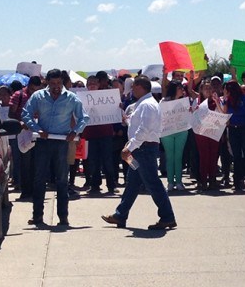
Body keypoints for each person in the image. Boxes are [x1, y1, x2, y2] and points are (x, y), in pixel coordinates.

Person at [101, 75, 177, 230]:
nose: (132, 90)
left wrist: (130, 147)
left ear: (140, 87)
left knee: (152, 183)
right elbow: (140, 126)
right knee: (133, 182)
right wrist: (128, 121)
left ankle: (167, 216)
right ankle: (120, 215)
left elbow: (144, 130)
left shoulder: (147, 105)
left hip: (143, 149)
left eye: (134, 87)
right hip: (140, 150)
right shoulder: (144, 104)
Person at [22, 69, 89, 226]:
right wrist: (36, 128)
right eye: (52, 83)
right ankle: (37, 216)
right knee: (39, 179)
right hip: (43, 142)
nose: (56, 86)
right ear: (47, 82)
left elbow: (84, 118)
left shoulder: (71, 98)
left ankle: (63, 217)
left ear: (63, 82)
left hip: (62, 142)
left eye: (59, 83)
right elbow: (26, 114)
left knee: (62, 180)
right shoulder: (38, 96)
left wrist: (75, 132)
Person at [213, 80, 245, 192]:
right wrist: (217, 103)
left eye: (226, 90)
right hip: (233, 129)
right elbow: (224, 115)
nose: (225, 92)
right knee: (236, 156)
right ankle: (237, 182)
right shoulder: (227, 101)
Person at [81, 75, 117, 195]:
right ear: (86, 86)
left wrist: (118, 108)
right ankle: (95, 185)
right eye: (89, 83)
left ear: (98, 85)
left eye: (94, 83)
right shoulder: (81, 99)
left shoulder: (106, 97)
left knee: (107, 160)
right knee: (93, 161)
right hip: (89, 134)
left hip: (105, 133)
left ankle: (111, 186)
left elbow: (115, 110)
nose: (92, 86)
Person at [9, 76, 43, 201]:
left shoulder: (40, 96)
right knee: (25, 162)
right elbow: (11, 114)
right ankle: (25, 190)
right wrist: (21, 123)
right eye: (33, 89)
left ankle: (34, 190)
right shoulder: (19, 95)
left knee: (36, 163)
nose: (35, 92)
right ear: (29, 85)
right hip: (23, 132)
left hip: (36, 132)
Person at [160, 80, 190, 191]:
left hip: (181, 131)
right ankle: (170, 183)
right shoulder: (163, 102)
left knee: (178, 157)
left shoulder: (185, 102)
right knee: (170, 157)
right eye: (179, 88)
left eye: (182, 88)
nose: (182, 90)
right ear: (173, 90)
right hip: (167, 132)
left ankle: (179, 181)